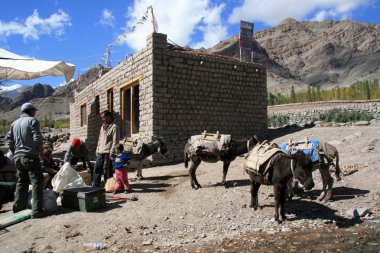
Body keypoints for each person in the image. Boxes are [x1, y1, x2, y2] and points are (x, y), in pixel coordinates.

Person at [6, 102, 44, 218]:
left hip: (18, 158)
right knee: (37, 181)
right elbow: (37, 138)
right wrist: (40, 152)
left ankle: (18, 207)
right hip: (30, 156)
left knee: (22, 182)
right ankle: (37, 211)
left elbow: (10, 141)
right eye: (34, 110)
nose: (35, 112)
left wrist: (15, 153)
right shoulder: (32, 121)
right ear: (31, 110)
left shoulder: (14, 124)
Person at [93, 110, 119, 187]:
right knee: (97, 168)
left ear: (108, 117)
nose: (102, 119)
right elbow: (100, 139)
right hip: (101, 151)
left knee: (107, 170)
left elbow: (115, 141)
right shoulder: (102, 127)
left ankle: (108, 186)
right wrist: (97, 149)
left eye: (104, 117)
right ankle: (96, 185)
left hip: (108, 152)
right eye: (102, 118)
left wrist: (112, 152)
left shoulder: (114, 127)